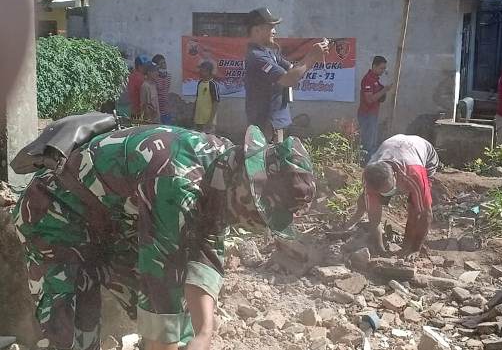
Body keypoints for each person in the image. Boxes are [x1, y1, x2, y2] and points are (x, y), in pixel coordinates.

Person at [14, 121, 316, 350]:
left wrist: (204, 333)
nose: (254, 222)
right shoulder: (178, 181)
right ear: (248, 183)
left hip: (111, 224)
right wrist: (165, 339)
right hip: (56, 215)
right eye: (257, 210)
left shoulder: (224, 170)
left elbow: (206, 252)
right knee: (72, 332)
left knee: (172, 318)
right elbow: (160, 274)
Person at [345, 134, 439, 260]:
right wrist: (381, 250)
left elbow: (426, 214)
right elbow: (374, 219)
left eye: (388, 190)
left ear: (395, 176)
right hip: (395, 146)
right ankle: (355, 218)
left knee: (414, 209)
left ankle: (408, 245)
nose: (387, 194)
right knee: (367, 201)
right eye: (381, 193)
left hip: (424, 154)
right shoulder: (369, 178)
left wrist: (415, 248)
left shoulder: (414, 175)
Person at [243, 7, 328, 143]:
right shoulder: (257, 57)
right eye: (271, 27)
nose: (275, 31)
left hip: (276, 123)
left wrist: (313, 55)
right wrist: (311, 57)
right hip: (265, 125)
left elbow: (293, 70)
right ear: (257, 30)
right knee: (268, 156)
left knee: (279, 155)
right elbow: (287, 79)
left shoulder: (269, 53)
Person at [357, 56, 394, 160]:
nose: (383, 71)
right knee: (368, 143)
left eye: (384, 68)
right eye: (381, 68)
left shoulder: (376, 80)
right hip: (366, 114)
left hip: (372, 114)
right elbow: (369, 99)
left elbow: (379, 96)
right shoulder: (368, 80)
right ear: (374, 66)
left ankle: (369, 162)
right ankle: (366, 163)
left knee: (372, 141)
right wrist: (384, 90)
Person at [194, 61, 221, 133]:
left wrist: (210, 121)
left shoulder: (213, 84)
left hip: (208, 121)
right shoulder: (200, 83)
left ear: (209, 72)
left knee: (208, 139)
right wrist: (194, 117)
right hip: (198, 120)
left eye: (203, 71)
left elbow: (216, 103)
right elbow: (197, 100)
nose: (200, 72)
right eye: (200, 70)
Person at [153, 54, 173, 125]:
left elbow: (166, 91)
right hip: (157, 111)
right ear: (157, 66)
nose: (164, 65)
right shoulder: (154, 78)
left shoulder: (169, 76)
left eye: (164, 62)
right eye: (161, 63)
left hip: (166, 110)